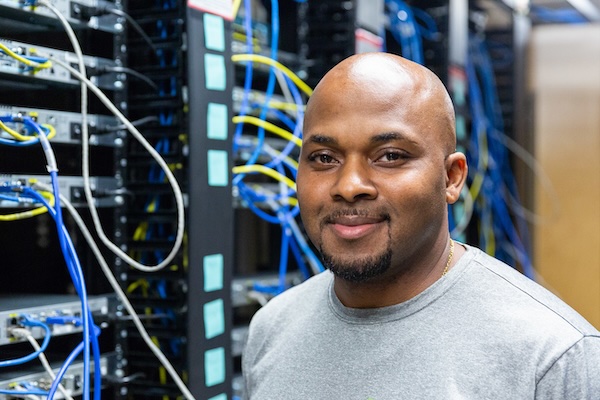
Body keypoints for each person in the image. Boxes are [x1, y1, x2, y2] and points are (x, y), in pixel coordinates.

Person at [242, 52, 600, 399]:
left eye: (390, 156)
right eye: (324, 158)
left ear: (451, 178)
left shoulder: (553, 358)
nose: (349, 186)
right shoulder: (272, 329)